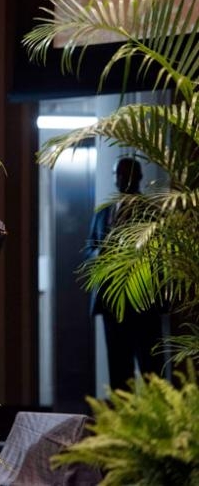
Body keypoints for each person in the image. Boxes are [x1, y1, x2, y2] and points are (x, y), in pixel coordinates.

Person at [85, 156, 164, 390]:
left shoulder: (152, 213)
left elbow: (161, 254)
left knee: (151, 370)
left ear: (138, 177)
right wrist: (100, 254)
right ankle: (122, 422)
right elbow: (89, 248)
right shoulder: (104, 213)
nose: (122, 179)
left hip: (143, 304)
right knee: (119, 372)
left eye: (127, 174)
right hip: (111, 305)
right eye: (119, 174)